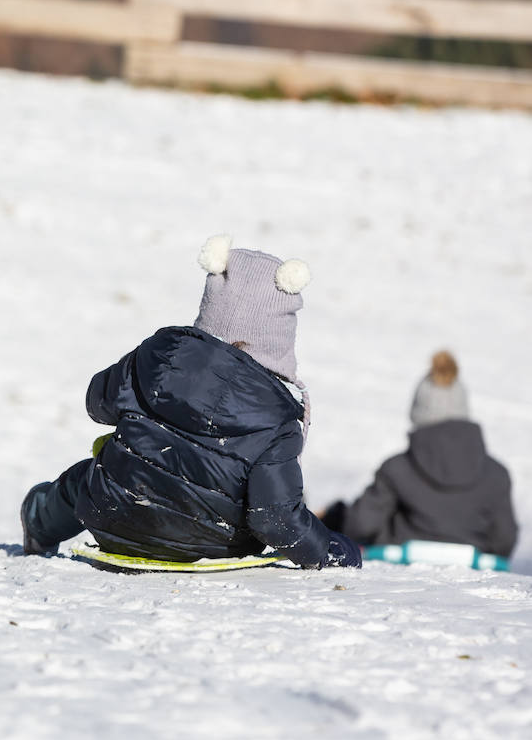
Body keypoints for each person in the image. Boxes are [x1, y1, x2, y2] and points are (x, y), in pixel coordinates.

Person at [19, 234, 361, 569]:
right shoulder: (278, 420)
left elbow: (97, 404)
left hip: (115, 516)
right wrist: (333, 549)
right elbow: (274, 517)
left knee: (88, 477)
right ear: (279, 338)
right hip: (214, 543)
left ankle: (38, 521)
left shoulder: (155, 359)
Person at [320, 351, 517, 558]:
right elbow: (504, 542)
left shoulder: (396, 470)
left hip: (400, 578)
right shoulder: (496, 475)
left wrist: (337, 515)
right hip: (475, 579)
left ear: (418, 411)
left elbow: (360, 526)